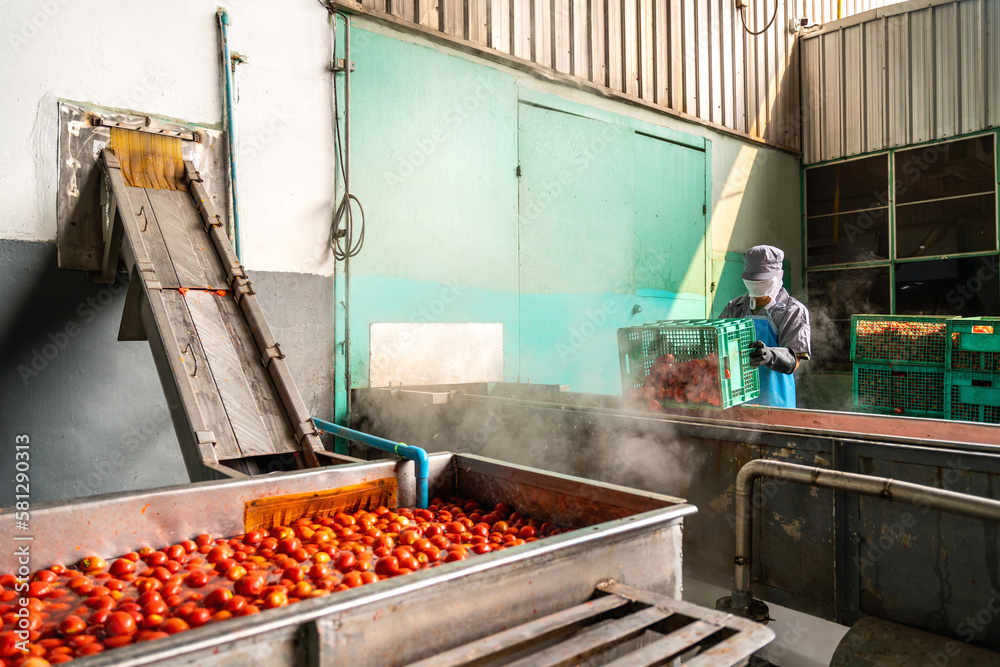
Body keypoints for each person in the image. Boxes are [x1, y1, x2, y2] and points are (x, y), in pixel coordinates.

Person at [719, 245, 810, 408]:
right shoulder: (734, 307)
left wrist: (770, 356)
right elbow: (718, 346)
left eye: (762, 280)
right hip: (737, 401)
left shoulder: (793, 310)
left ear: (779, 275)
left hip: (775, 401)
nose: (757, 284)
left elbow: (794, 360)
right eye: (752, 280)